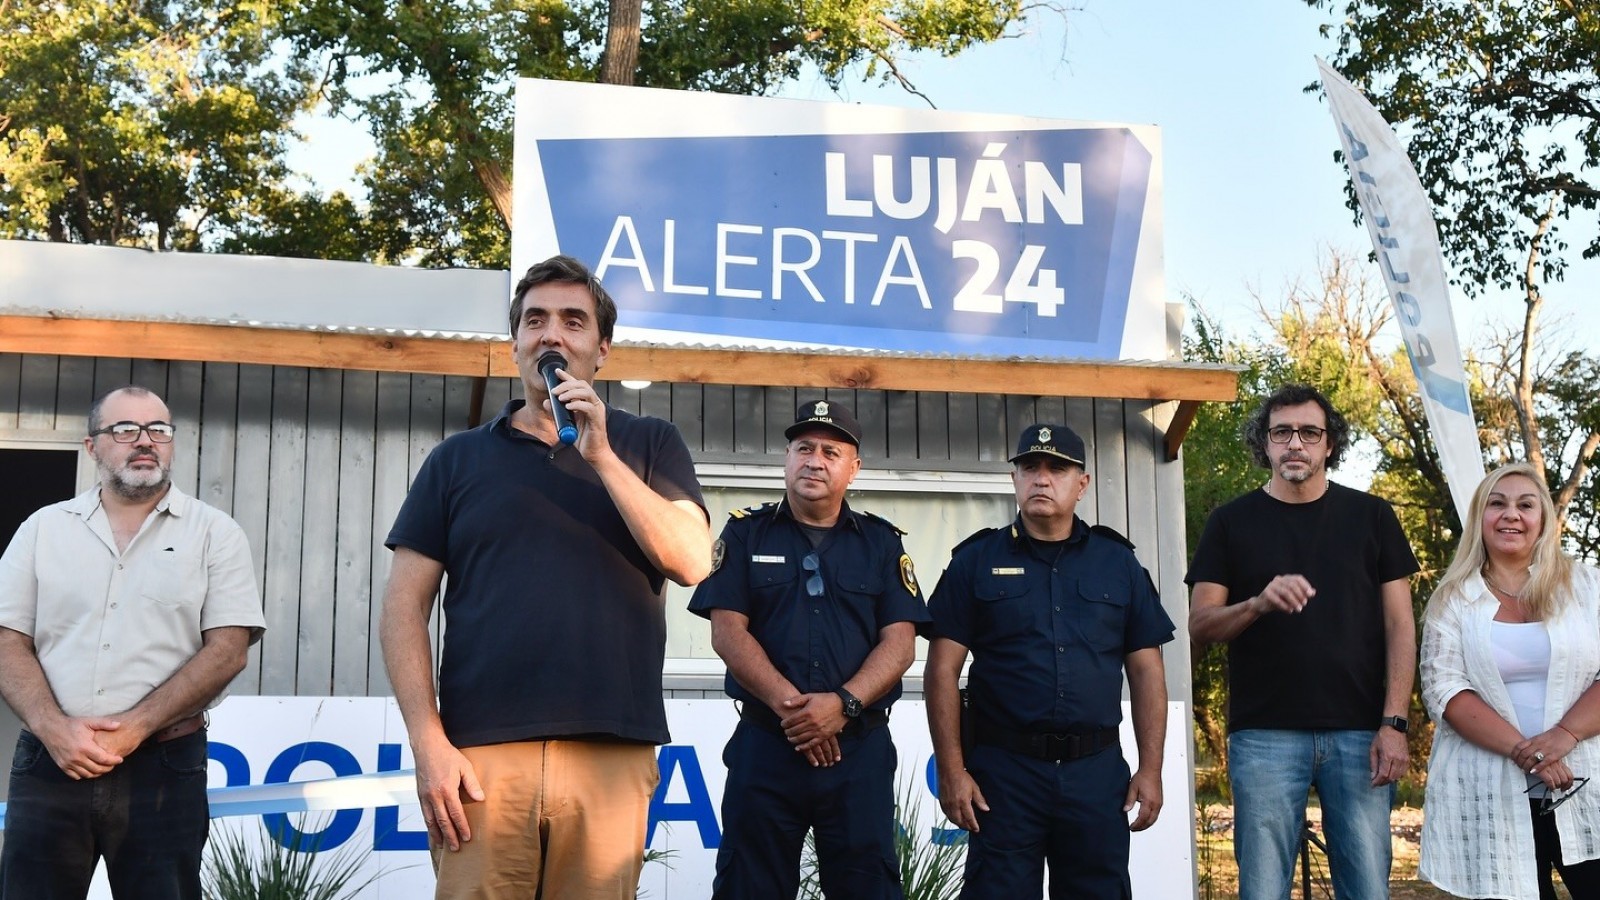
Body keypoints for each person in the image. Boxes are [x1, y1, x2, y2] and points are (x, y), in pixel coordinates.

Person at [379, 254, 712, 900]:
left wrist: (602, 456)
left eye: (572, 321)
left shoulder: (650, 444)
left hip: (609, 753)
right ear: (514, 345)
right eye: (534, 321)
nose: (550, 335)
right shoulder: (456, 460)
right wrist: (427, 741)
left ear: (602, 349)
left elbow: (692, 561)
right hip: (480, 759)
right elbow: (402, 607)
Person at [0, 385, 265, 900]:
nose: (145, 441)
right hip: (52, 760)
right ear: (92, 446)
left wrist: (135, 728)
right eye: (125, 429)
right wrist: (54, 729)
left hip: (164, 763)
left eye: (158, 430)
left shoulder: (216, 534)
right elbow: (8, 639)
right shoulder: (43, 529)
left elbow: (228, 650)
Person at [687, 399, 928, 900]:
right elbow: (728, 632)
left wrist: (842, 705)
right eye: (804, 448)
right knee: (748, 887)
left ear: (853, 468)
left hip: (857, 751)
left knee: (867, 889)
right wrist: (796, 713)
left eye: (830, 452)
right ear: (787, 458)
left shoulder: (882, 543)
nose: (815, 461)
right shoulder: (745, 532)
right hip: (767, 745)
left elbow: (900, 643)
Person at [1187, 383, 1418, 899]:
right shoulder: (1230, 522)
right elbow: (1199, 625)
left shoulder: (1373, 516)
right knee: (1263, 890)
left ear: (1329, 443)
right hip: (1263, 735)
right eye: (1282, 433)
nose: (1295, 443)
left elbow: (1401, 626)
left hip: (1360, 733)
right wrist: (1256, 604)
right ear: (1264, 443)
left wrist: (1394, 723)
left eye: (1310, 433)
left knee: (1367, 890)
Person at [925, 423, 1172, 900]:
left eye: (1057, 468)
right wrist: (953, 771)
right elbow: (941, 670)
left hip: (1094, 773)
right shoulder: (974, 561)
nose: (1041, 478)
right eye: (1029, 467)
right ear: (1014, 479)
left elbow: (1147, 673)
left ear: (1082, 484)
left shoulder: (1118, 564)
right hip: (1003, 775)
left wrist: (1151, 768)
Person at [1419, 462, 1600, 900]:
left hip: (1587, 782)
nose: (1511, 514)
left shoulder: (1588, 585)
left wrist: (1564, 735)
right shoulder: (1453, 598)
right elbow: (1445, 690)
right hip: (1490, 792)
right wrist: (1536, 755)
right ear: (1480, 517)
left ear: (1543, 519)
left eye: (1525, 505)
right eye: (1497, 504)